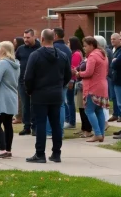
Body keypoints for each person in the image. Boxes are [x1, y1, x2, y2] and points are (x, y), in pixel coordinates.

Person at [25, 29, 71, 163]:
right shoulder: (62, 55)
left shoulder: (35, 55)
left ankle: (40, 153)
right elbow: (68, 74)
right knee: (56, 124)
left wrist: (30, 89)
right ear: (54, 39)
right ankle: (56, 153)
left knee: (40, 123)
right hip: (56, 94)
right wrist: (60, 85)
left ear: (42, 39)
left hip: (39, 94)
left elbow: (28, 76)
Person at [74, 36, 109, 143]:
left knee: (89, 111)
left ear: (91, 45)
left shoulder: (93, 56)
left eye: (85, 46)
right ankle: (101, 134)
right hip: (102, 86)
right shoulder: (103, 55)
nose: (84, 48)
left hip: (92, 87)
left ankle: (97, 134)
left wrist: (78, 73)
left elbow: (89, 72)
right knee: (99, 111)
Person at [0, 41, 20, 160]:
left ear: (4, 50)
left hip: (2, 97)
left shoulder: (2, 63)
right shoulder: (16, 63)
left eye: (0, 48)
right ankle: (8, 149)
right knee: (7, 124)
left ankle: (2, 149)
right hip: (12, 96)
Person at [16, 29, 40, 136]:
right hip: (22, 81)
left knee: (34, 105)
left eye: (28, 37)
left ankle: (35, 126)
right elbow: (15, 63)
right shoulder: (20, 49)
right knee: (25, 105)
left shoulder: (40, 49)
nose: (25, 39)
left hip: (36, 82)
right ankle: (27, 126)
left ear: (34, 37)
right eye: (24, 37)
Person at [64, 36, 84, 128]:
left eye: (69, 42)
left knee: (70, 101)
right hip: (73, 79)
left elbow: (73, 68)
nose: (67, 44)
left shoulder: (76, 54)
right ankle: (68, 119)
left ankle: (71, 121)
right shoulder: (77, 53)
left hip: (73, 80)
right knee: (69, 101)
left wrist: (71, 81)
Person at [94, 35, 112, 131]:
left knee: (103, 103)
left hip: (104, 79)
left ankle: (105, 122)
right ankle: (104, 122)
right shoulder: (102, 52)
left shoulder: (104, 52)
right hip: (103, 79)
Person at [109, 33, 121, 122]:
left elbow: (114, 64)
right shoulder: (114, 50)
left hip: (119, 81)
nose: (112, 40)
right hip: (114, 79)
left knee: (120, 103)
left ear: (119, 39)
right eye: (111, 39)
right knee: (116, 100)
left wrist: (114, 61)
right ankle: (116, 114)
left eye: (114, 39)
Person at [13, 37, 25, 124]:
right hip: (19, 77)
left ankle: (19, 117)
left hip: (21, 78)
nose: (14, 44)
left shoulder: (19, 51)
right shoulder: (19, 51)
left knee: (20, 98)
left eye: (15, 42)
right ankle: (19, 116)